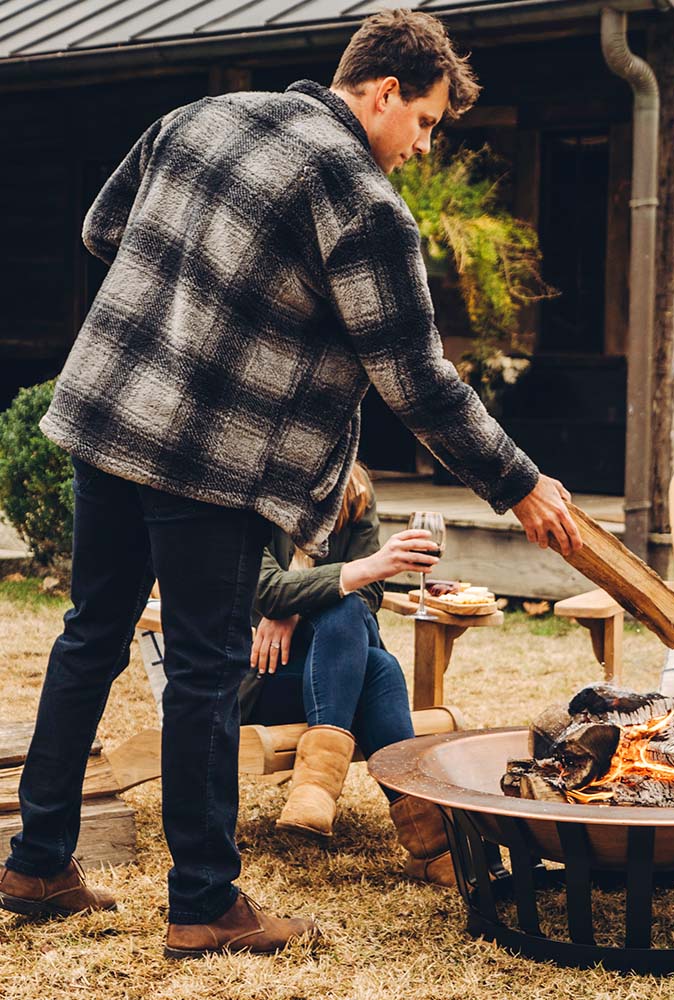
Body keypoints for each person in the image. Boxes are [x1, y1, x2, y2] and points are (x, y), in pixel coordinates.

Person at [0, 8, 581, 959]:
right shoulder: (361, 200)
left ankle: (36, 860)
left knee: (90, 633)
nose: (422, 149)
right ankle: (201, 903)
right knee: (203, 670)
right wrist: (516, 481)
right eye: (426, 123)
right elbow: (416, 380)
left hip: (108, 416)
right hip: (210, 459)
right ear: (385, 91)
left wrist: (208, 297)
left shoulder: (203, 116)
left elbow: (105, 230)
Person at [241, 461, 455, 885]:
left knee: (361, 631)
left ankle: (315, 790)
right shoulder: (253, 491)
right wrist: (362, 571)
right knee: (377, 663)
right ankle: (434, 845)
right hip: (261, 677)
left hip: (333, 667)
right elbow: (264, 589)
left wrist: (295, 608)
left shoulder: (354, 489)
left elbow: (368, 594)